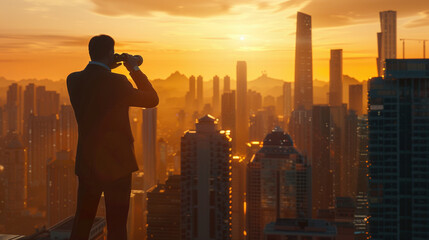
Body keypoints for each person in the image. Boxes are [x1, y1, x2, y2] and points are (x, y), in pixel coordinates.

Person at [67, 34, 158, 240]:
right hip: (118, 164)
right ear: (110, 53)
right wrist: (133, 68)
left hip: (88, 162)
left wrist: (107, 64)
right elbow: (152, 99)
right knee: (116, 225)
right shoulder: (118, 82)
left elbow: (96, 80)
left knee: (82, 222)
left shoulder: (73, 80)